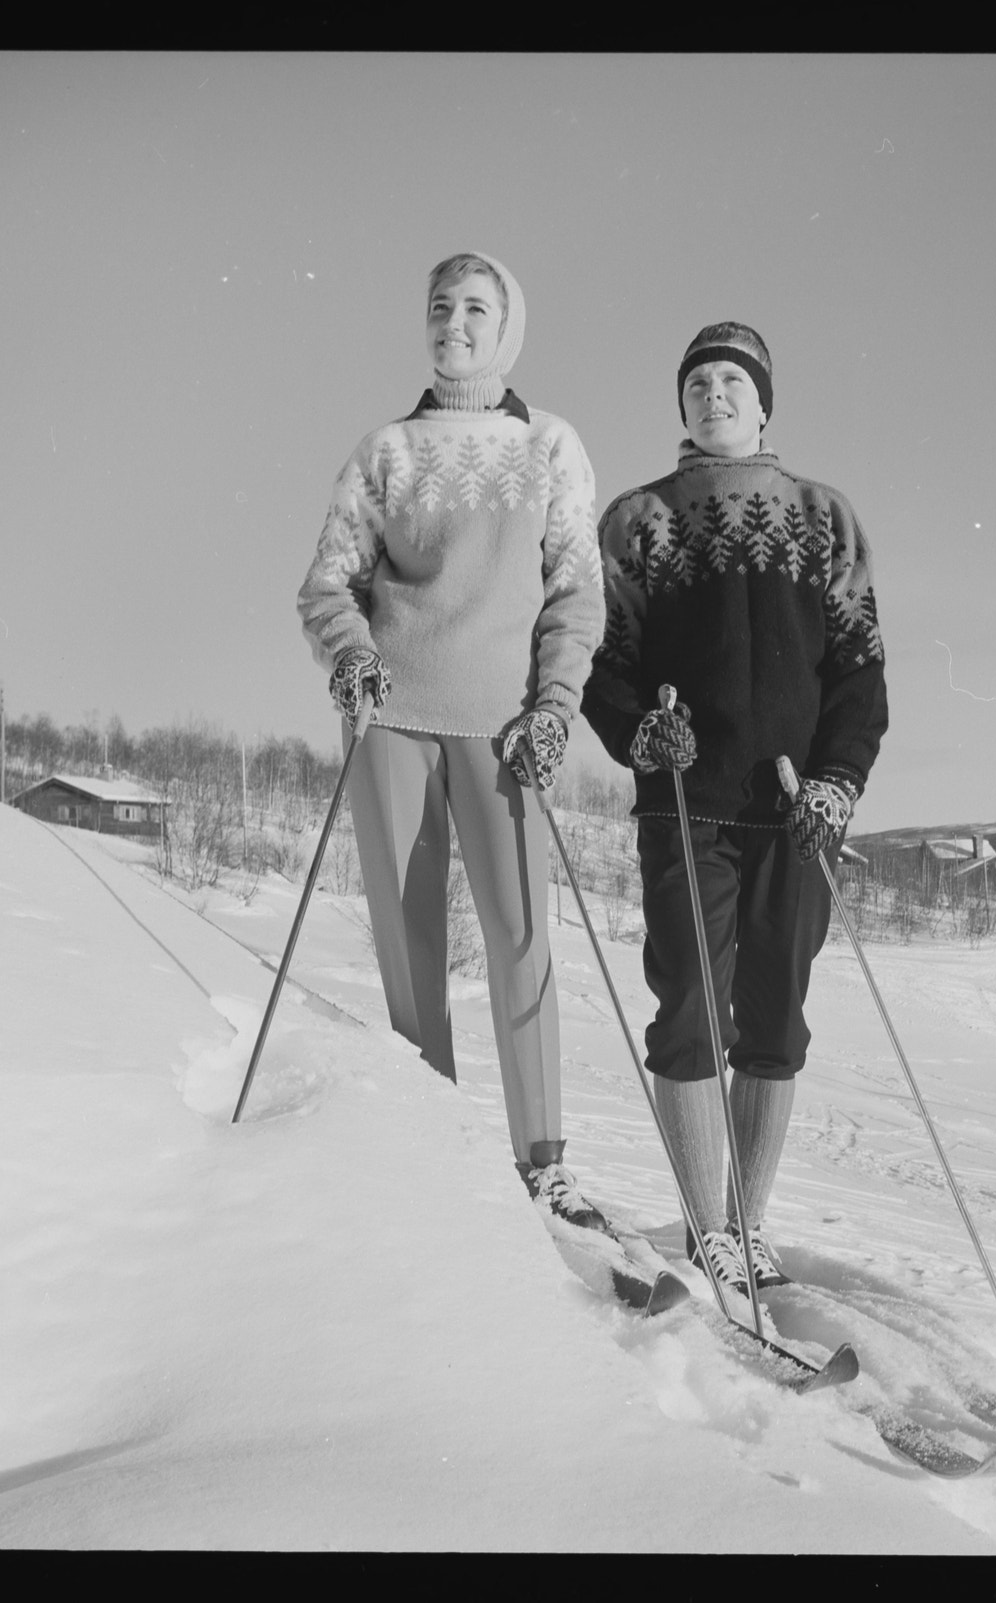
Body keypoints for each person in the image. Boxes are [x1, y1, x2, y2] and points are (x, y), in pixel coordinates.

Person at [297, 251, 611, 1232]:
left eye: (476, 307)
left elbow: (576, 593)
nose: (454, 323)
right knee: (409, 943)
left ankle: (542, 1162)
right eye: (440, 306)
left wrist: (554, 704)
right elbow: (326, 584)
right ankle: (430, 1149)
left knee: (521, 939)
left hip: (505, 730)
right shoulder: (386, 449)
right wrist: (350, 654)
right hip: (391, 722)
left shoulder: (549, 447)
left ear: (506, 325)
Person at [581, 321, 888, 1293]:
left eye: (732, 381)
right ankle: (705, 1228)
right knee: (686, 1016)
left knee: (773, 1024)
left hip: (794, 816)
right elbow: (602, 669)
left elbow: (859, 677)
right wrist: (638, 730)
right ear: (681, 404)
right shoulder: (641, 523)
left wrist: (837, 784)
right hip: (685, 808)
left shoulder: (822, 519)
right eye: (698, 382)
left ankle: (748, 1225)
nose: (714, 394)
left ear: (763, 404)